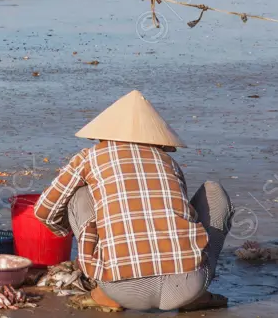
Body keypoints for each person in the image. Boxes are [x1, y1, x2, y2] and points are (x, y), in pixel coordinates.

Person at [34, 90, 233, 313]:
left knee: (78, 196)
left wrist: (67, 233)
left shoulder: (89, 157)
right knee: (213, 191)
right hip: (188, 285)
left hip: (121, 288)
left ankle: (104, 294)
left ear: (103, 133)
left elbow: (44, 211)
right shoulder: (168, 162)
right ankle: (196, 296)